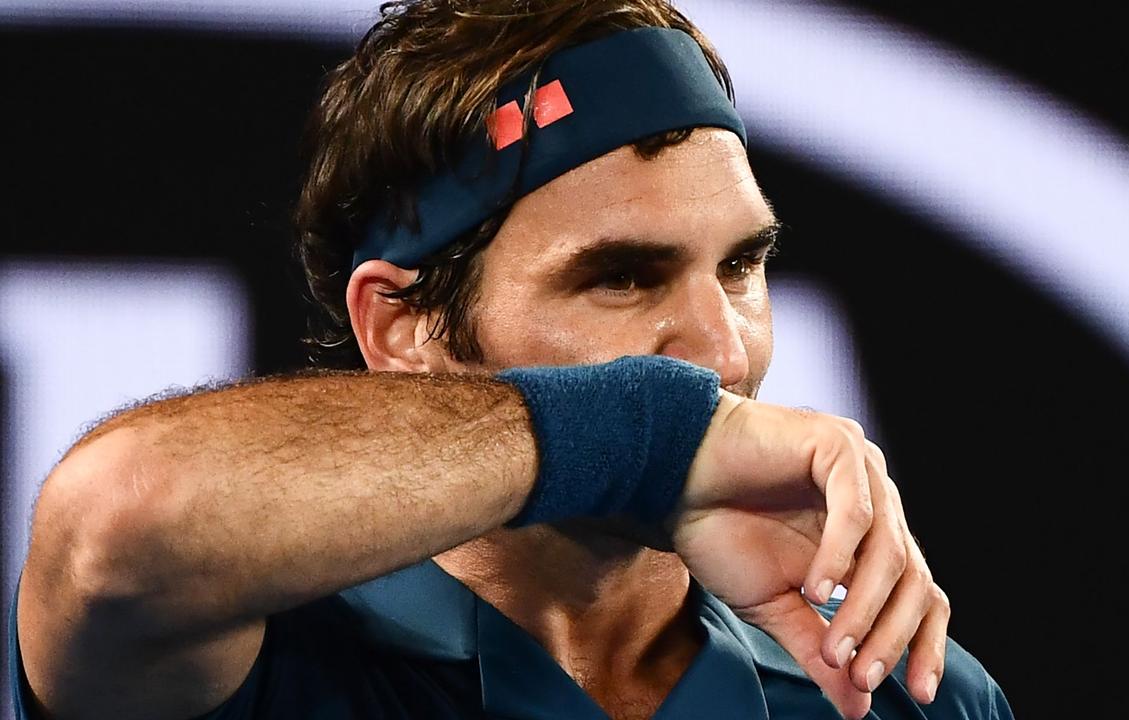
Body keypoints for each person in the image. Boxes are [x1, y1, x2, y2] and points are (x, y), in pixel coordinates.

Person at [10, 1, 1014, 718]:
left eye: (742, 265)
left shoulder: (912, 695)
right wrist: (641, 435)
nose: (720, 348)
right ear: (402, 327)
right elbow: (118, 523)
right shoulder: (252, 661)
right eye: (620, 277)